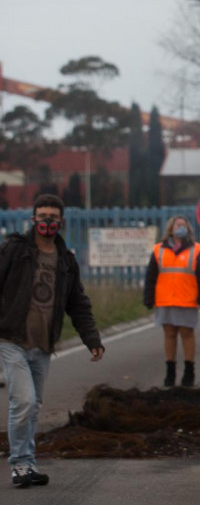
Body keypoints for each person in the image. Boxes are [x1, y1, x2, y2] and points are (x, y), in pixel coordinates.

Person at [0, 194, 105, 488]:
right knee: (23, 401)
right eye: (42, 216)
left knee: (32, 407)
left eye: (53, 217)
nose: (47, 221)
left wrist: (92, 339)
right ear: (33, 219)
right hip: (11, 338)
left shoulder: (66, 261)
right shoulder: (14, 249)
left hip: (43, 344)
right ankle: (19, 465)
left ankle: (28, 464)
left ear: (61, 222)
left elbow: (78, 304)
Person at [143, 215, 200, 387]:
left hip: (187, 299)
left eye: (184, 225)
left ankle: (189, 371)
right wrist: (148, 297)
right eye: (177, 225)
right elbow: (151, 276)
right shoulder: (159, 249)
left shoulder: (197, 249)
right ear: (171, 229)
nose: (181, 227)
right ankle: (170, 371)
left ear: (188, 229)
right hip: (165, 299)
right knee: (169, 334)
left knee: (187, 334)